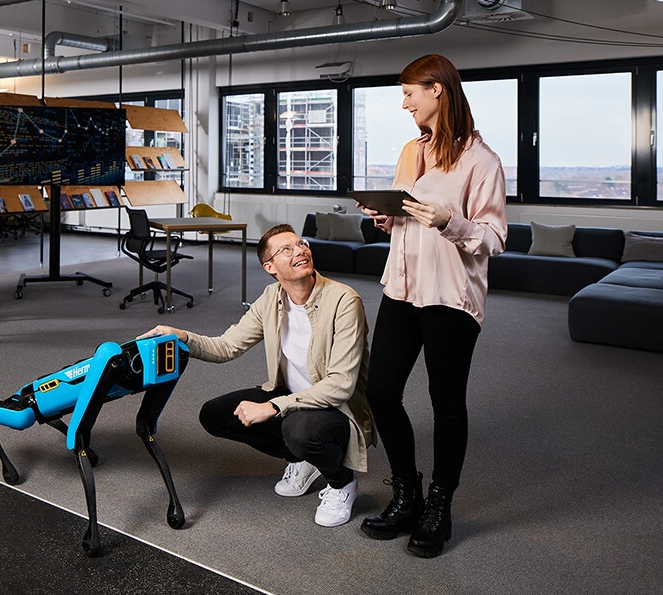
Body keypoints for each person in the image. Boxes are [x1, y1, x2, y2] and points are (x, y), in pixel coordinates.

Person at [356, 54, 507, 558]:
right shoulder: (410, 151)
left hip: (450, 295)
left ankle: (439, 506)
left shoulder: (481, 161)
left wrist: (449, 221)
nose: (405, 104)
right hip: (401, 288)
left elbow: (494, 238)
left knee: (446, 402)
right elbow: (406, 218)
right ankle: (407, 494)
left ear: (437, 89)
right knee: (381, 390)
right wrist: (387, 218)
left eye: (409, 94)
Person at [141, 224, 374, 528]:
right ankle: (302, 459)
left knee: (298, 430)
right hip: (290, 395)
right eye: (286, 249)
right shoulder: (271, 297)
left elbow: (340, 385)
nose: (300, 251)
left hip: (336, 408)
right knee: (214, 415)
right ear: (270, 267)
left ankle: (342, 482)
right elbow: (227, 346)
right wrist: (182, 335)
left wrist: (273, 407)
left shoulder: (344, 301)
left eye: (301, 244)